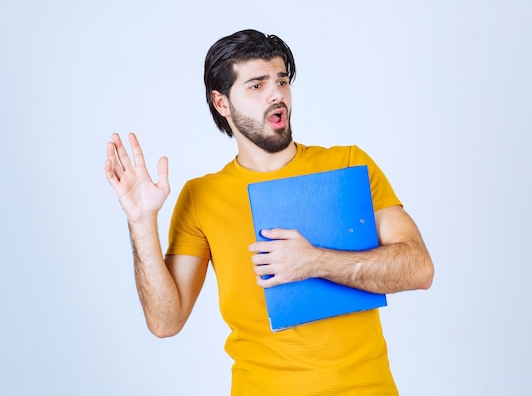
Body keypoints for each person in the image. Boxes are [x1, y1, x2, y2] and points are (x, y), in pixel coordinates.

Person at [105, 29, 433, 396]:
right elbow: (165, 322)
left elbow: (419, 268)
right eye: (257, 85)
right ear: (222, 102)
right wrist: (140, 222)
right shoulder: (201, 196)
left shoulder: (348, 165)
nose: (277, 93)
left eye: (281, 80)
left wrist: (315, 262)